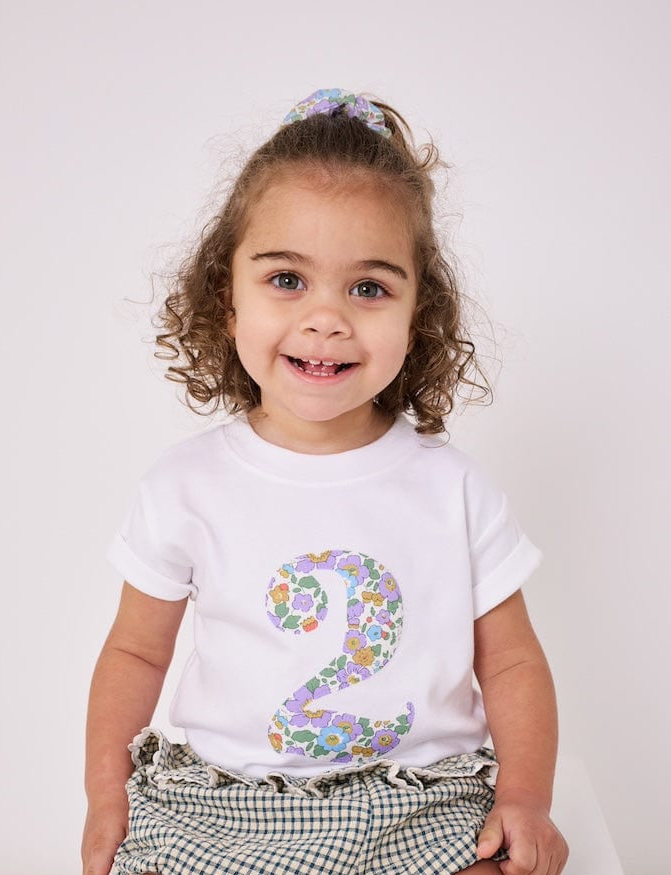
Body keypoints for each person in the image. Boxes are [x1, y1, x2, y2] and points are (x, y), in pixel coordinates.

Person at [81, 87, 569, 875]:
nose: (327, 318)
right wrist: (108, 797)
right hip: (227, 805)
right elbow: (136, 653)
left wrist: (525, 796)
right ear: (227, 299)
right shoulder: (187, 485)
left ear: (417, 314)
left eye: (368, 288)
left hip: (416, 800)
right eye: (287, 279)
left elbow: (511, 661)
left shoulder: (452, 488)